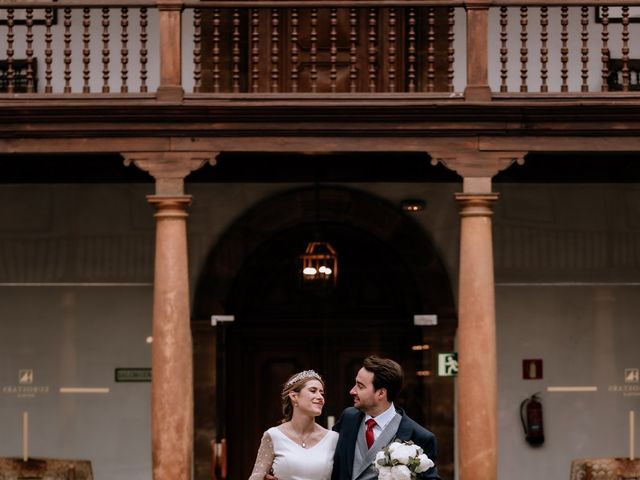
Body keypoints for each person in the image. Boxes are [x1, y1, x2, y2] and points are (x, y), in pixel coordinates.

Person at [331, 356, 440, 480]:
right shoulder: (348, 418)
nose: (352, 391)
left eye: (360, 386)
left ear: (381, 393)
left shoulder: (420, 437)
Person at [249, 369, 339, 480]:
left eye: (321, 393)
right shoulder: (273, 435)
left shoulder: (333, 439)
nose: (320, 397)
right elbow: (256, 477)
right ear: (294, 396)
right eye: (313, 390)